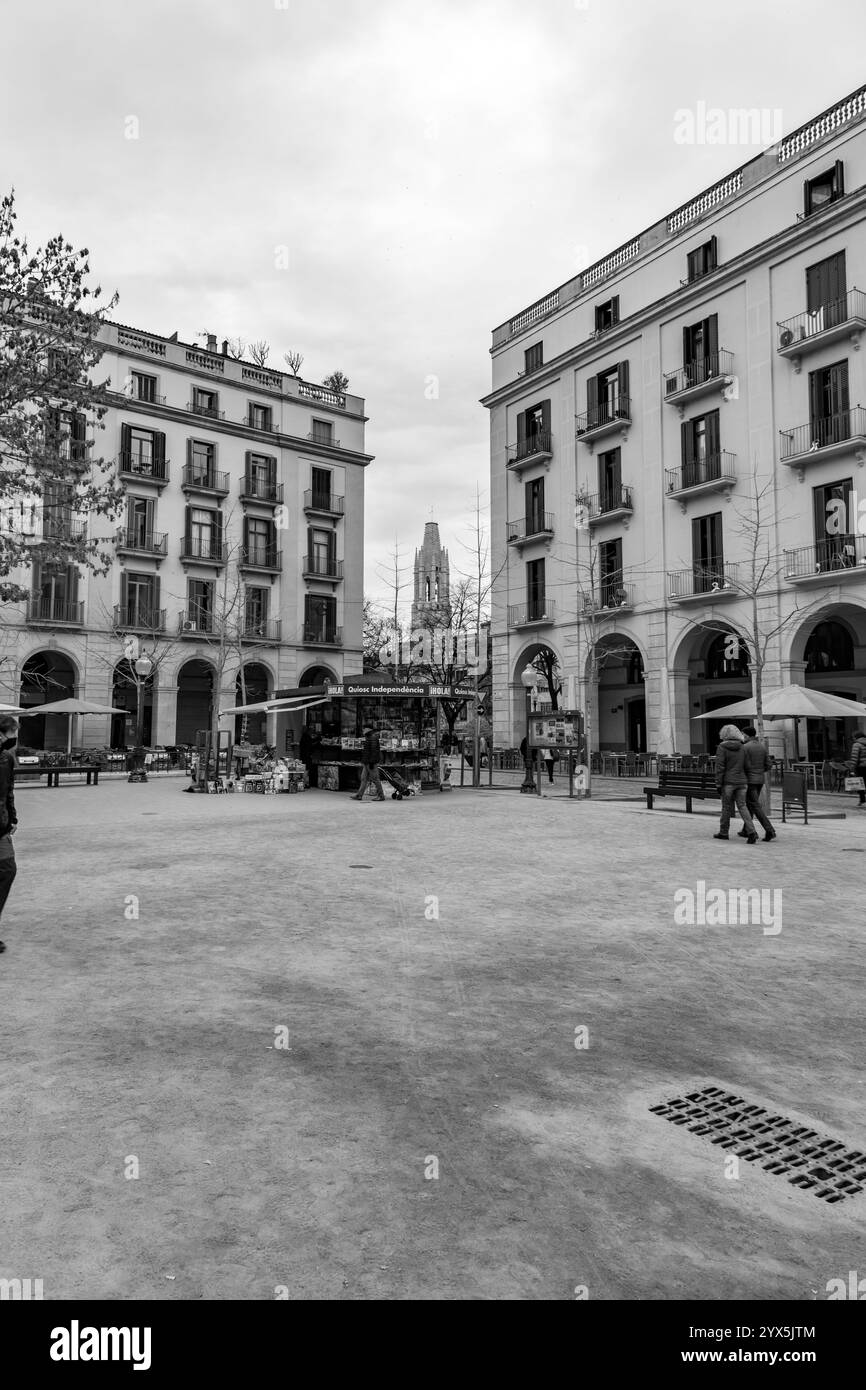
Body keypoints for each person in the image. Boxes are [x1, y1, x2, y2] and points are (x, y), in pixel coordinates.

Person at [713, 724, 757, 843]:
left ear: (724, 734)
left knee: (726, 807)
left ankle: (723, 832)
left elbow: (720, 767)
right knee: (743, 806)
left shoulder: (722, 747)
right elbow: (747, 765)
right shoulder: (742, 747)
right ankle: (752, 831)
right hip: (742, 782)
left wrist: (718, 783)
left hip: (728, 782)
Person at [0, 715, 20, 954]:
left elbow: (8, 792)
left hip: (1, 825)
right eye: (14, 734)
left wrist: (11, 817)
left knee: (7, 869)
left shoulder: (6, 758)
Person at [739, 726, 776, 841]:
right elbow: (769, 765)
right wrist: (760, 771)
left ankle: (769, 830)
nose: (742, 737)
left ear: (746, 735)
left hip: (750, 780)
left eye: (742, 734)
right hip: (760, 780)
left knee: (754, 805)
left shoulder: (745, 747)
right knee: (750, 805)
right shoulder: (761, 747)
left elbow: (742, 765)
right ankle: (746, 829)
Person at [352, 726, 386, 801]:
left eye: (364, 729)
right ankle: (359, 795)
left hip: (370, 763)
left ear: (368, 730)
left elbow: (374, 752)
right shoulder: (369, 738)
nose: (363, 731)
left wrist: (371, 762)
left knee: (375, 779)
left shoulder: (373, 738)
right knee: (363, 778)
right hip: (366, 762)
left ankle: (381, 796)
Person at [849, 727, 866, 807]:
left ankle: (862, 801)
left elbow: (854, 758)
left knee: (860, 784)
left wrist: (852, 769)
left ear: (856, 737)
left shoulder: (856, 744)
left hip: (861, 767)